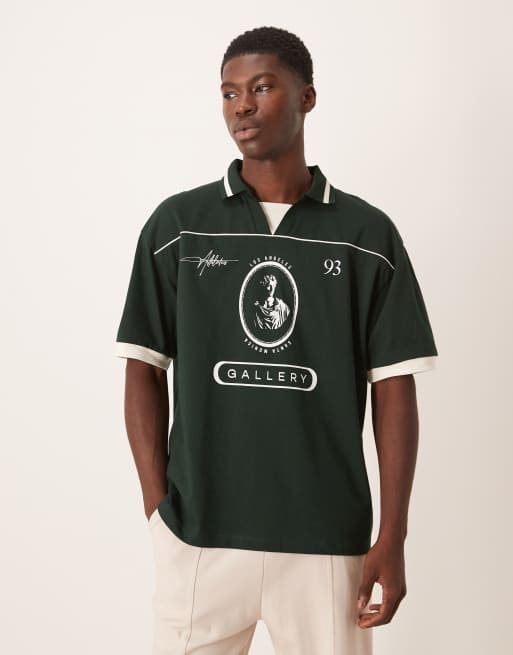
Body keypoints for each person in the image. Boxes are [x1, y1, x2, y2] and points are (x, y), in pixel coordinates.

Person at [114, 25, 438, 655]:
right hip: (200, 538)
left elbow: (394, 389)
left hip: (327, 543)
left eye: (262, 88)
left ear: (307, 97)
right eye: (229, 92)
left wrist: (392, 534)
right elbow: (144, 369)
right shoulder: (178, 227)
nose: (243, 106)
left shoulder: (366, 235)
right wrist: (160, 514)